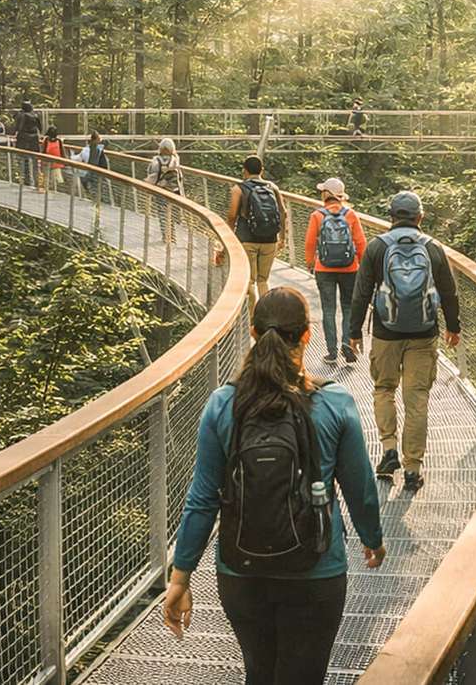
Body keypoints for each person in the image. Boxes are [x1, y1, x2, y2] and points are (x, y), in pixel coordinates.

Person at [162, 288, 385, 684]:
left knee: (259, 673)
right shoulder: (334, 403)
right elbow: (360, 486)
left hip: (241, 571)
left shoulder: (222, 404)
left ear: (252, 331)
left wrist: (181, 577)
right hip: (316, 568)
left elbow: (202, 498)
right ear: (306, 335)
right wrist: (372, 537)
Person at [347, 190, 461, 494]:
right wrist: (454, 326)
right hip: (424, 334)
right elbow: (449, 292)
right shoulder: (434, 248)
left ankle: (388, 450)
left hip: (386, 332)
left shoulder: (377, 247)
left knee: (384, 388)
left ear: (391, 217)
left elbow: (361, 293)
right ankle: (413, 469)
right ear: (420, 217)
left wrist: (354, 330)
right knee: (417, 399)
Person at [304, 178, 366, 364]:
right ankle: (347, 345)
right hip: (350, 268)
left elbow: (309, 243)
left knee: (328, 310)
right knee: (348, 307)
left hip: (324, 268)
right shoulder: (351, 214)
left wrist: (310, 263)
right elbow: (361, 243)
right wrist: (362, 265)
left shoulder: (317, 215)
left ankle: (331, 352)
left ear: (325, 194)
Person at [223, 155, 285, 307]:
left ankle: (253, 320)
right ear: (262, 170)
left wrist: (227, 238)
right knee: (263, 280)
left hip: (246, 239)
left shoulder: (239, 189)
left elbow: (232, 216)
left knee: (249, 280)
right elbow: (283, 213)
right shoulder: (272, 188)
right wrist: (282, 237)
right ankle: (265, 315)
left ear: (244, 171)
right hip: (270, 240)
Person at [147, 137, 186, 244]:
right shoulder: (175, 160)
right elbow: (179, 177)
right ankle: (172, 236)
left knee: (162, 213)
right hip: (174, 191)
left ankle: (166, 236)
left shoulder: (156, 160)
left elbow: (152, 174)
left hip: (160, 190)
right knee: (172, 214)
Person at [13, 100, 43, 190]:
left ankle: (26, 182)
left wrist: (15, 133)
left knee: (24, 160)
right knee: (34, 162)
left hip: (24, 139)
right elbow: (40, 128)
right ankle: (37, 183)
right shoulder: (35, 115)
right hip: (34, 139)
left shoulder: (22, 115)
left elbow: (19, 127)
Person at [42, 126, 67, 193]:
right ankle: (47, 192)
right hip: (47, 163)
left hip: (57, 163)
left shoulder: (59, 141)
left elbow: (62, 151)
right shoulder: (46, 140)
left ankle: (58, 192)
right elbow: (43, 151)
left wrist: (65, 161)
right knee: (47, 179)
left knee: (58, 179)